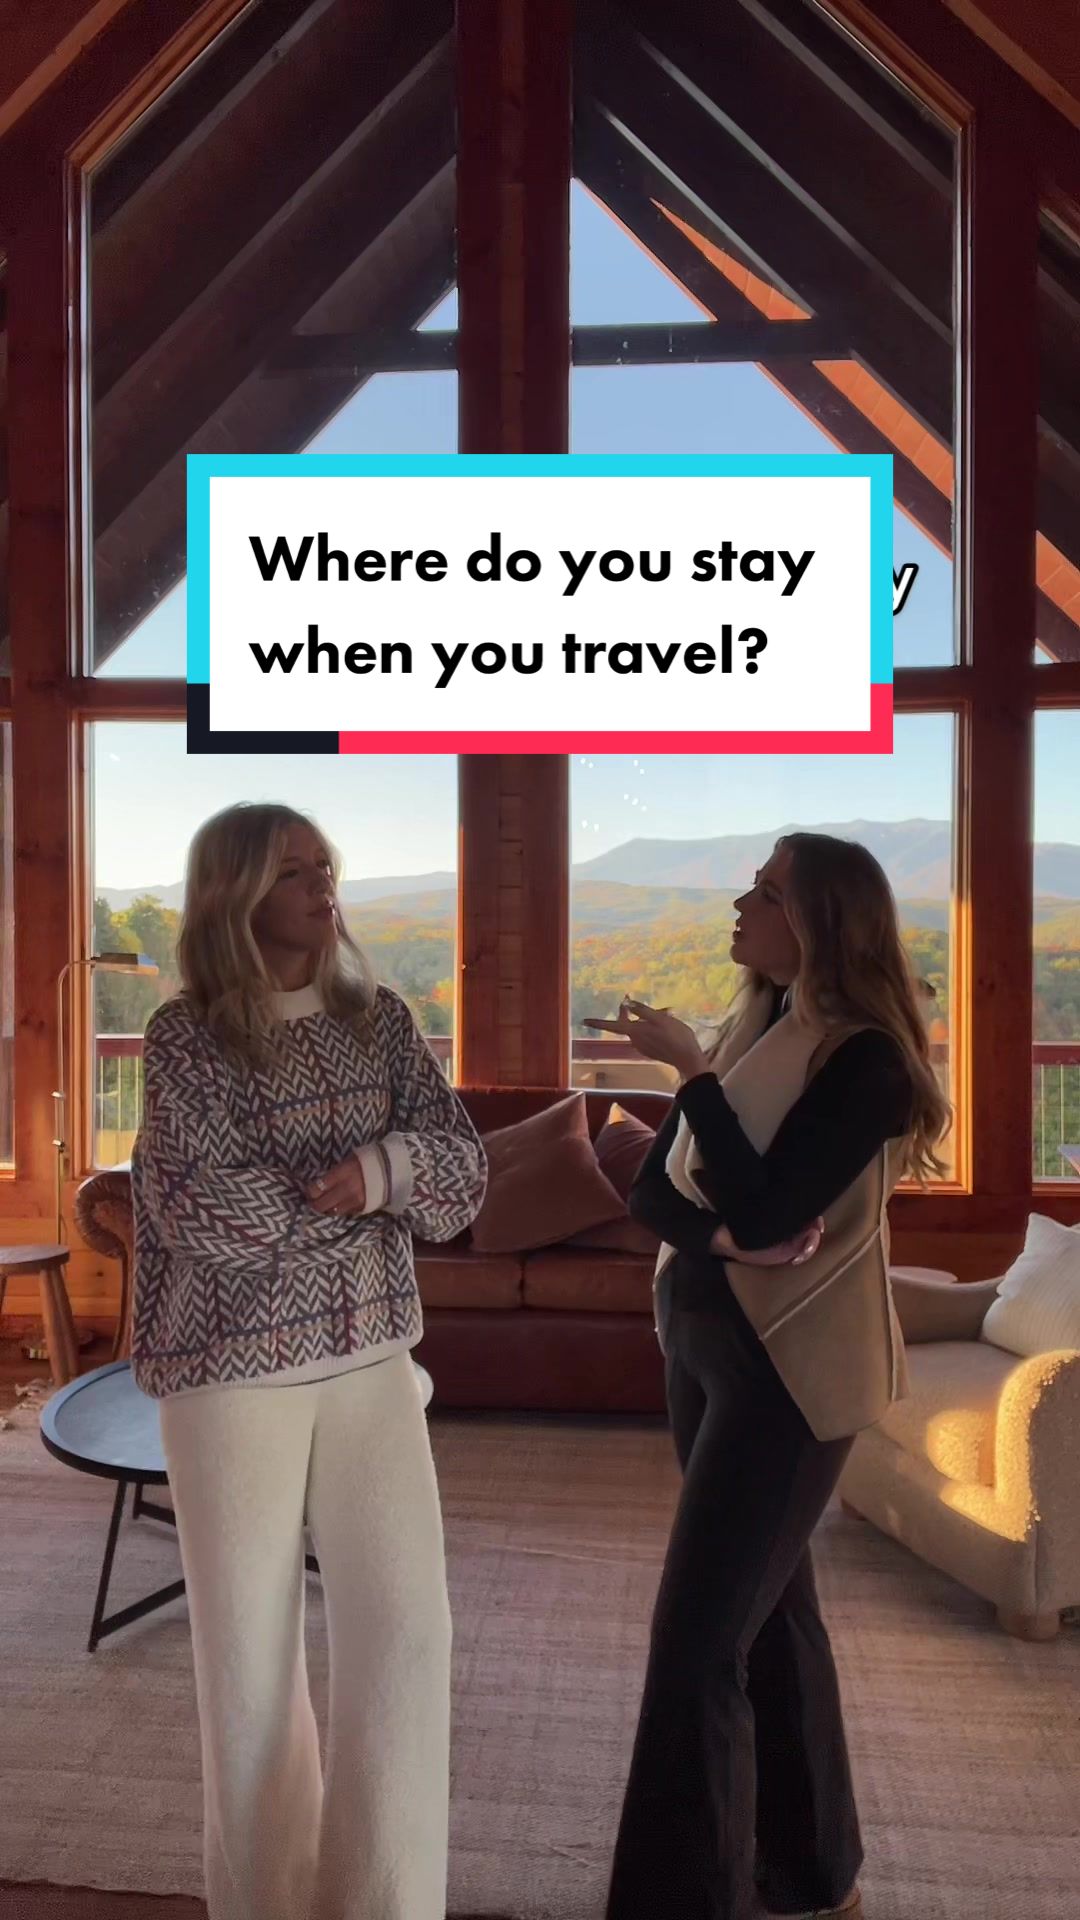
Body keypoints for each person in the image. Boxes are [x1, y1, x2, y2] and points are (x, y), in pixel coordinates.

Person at [130, 801, 487, 1920]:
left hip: (373, 1359)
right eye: (293, 870)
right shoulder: (184, 1037)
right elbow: (196, 1210)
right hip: (230, 1379)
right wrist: (364, 1207)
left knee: (410, 1634)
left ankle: (389, 1903)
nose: (321, 883)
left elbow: (462, 1179)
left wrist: (380, 1174)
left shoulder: (380, 1021)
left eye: (324, 864)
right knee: (249, 1666)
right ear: (234, 894)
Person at [584, 831, 950, 1920]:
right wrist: (722, 1234)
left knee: (695, 1647)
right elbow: (654, 1194)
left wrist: (693, 1080)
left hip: (789, 1376)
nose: (741, 905)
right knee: (773, 1620)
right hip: (704, 1351)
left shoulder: (866, 1061)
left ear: (823, 921)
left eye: (767, 891)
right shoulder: (760, 1028)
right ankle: (811, 1872)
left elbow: (768, 1203)